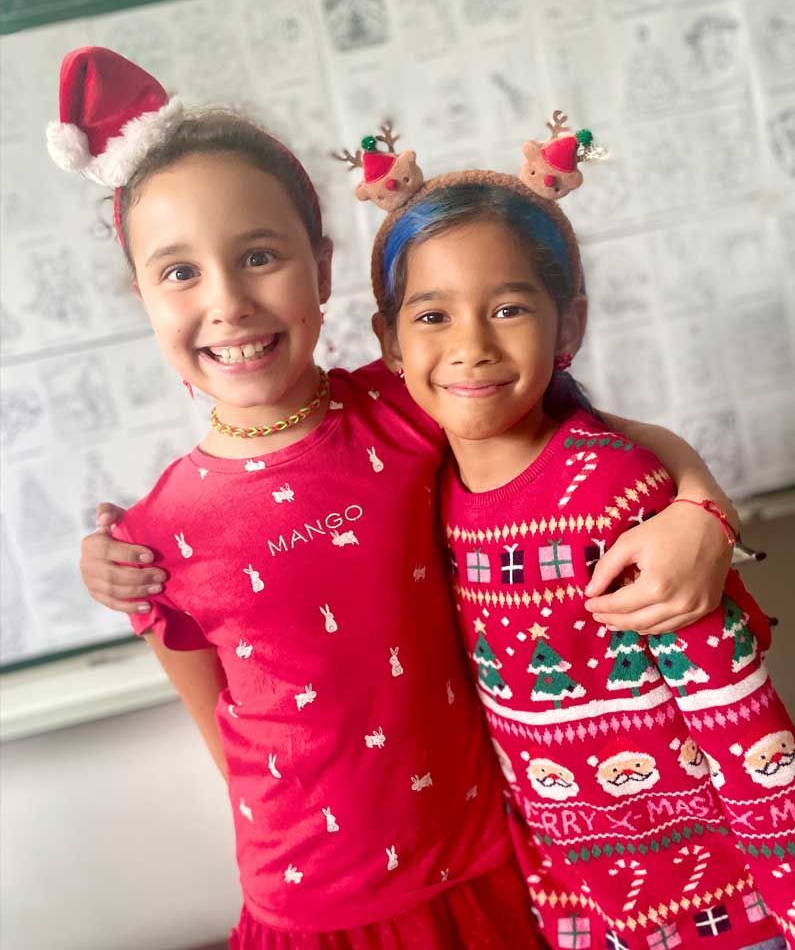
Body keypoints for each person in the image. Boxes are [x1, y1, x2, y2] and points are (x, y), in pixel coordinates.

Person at [62, 49, 743, 948]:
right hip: (315, 912)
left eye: (259, 256)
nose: (227, 303)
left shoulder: (409, 407)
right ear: (143, 298)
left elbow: (598, 434)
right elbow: (221, 742)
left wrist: (702, 510)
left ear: (322, 270)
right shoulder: (153, 540)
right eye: (179, 273)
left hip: (496, 865)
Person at [365, 114, 795, 949]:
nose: (470, 346)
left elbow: (741, 722)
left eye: (507, 308)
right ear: (388, 340)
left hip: (729, 914)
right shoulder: (427, 490)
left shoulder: (613, 494)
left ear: (567, 327)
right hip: (585, 912)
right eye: (432, 316)